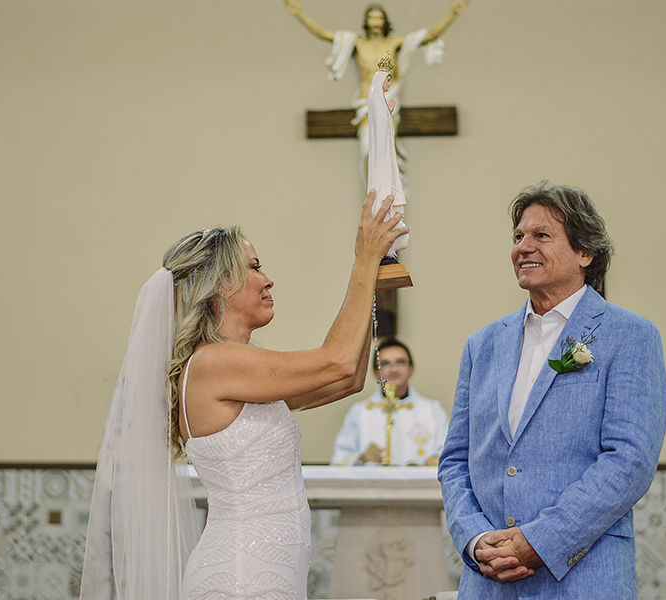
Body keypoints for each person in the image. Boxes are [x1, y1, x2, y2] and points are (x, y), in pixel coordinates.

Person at [80, 190, 408, 600]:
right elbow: (337, 362)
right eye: (254, 267)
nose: (268, 278)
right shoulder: (213, 365)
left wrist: (375, 275)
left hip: (266, 571)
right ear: (219, 287)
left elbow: (349, 378)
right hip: (241, 577)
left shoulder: (238, 366)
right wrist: (363, 258)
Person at [438, 182, 666, 598]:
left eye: (541, 236)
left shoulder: (628, 335)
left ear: (585, 252)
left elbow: (629, 460)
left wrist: (539, 541)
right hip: (489, 582)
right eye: (518, 237)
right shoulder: (482, 345)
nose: (524, 247)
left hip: (582, 577)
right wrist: (475, 540)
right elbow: (455, 460)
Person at [283, 1, 469, 172]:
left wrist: (453, 13)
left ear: (385, 21)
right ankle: (372, 195)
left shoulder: (394, 43)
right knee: (368, 148)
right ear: (366, 21)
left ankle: (388, 195)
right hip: (366, 105)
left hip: (388, 103)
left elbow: (428, 36)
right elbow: (324, 34)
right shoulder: (358, 44)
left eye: (379, 17)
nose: (375, 22)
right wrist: (299, 14)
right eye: (372, 17)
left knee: (388, 150)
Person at [331, 338, 449, 466]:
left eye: (400, 362)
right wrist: (361, 457)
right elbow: (338, 460)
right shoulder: (360, 411)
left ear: (412, 368)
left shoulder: (432, 410)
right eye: (385, 364)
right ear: (375, 373)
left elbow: (447, 454)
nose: (394, 369)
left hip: (417, 486)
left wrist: (433, 463)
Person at [367, 65, 408, 259]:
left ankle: (390, 249)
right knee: (383, 199)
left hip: (387, 159)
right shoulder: (376, 101)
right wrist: (386, 113)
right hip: (381, 163)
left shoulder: (380, 103)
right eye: (388, 80)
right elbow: (380, 128)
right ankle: (386, 250)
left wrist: (388, 112)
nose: (390, 84)